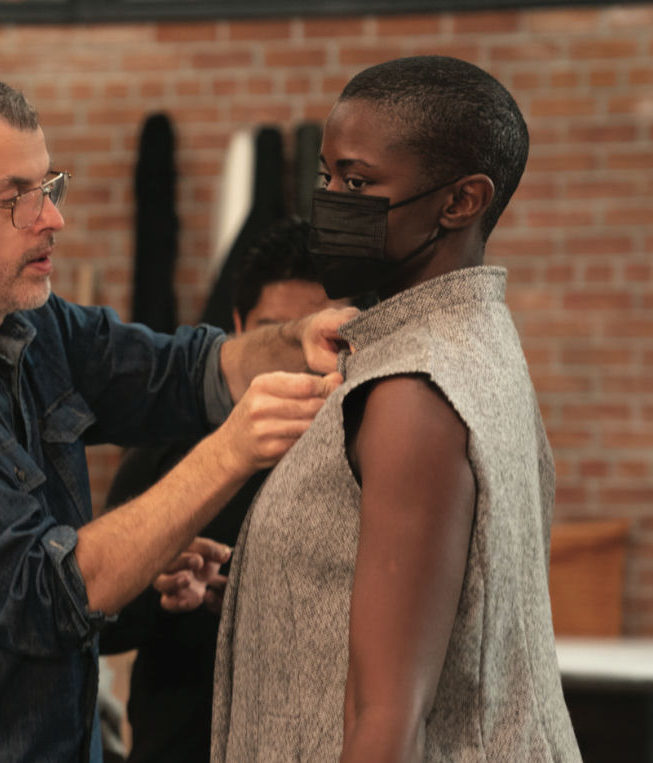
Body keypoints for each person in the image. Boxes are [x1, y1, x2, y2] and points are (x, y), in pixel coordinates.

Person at [0, 66, 355, 763]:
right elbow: (43, 595)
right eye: (15, 199)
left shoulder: (32, 324)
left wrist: (291, 340)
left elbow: (180, 372)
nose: (53, 217)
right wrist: (233, 449)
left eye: (48, 185)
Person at [210, 56, 581, 761]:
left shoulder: (416, 386)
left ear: (461, 201)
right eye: (326, 178)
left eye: (358, 182)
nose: (331, 201)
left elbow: (387, 720)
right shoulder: (467, 337)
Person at [98, 216, 367, 763]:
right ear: (242, 326)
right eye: (278, 334)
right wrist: (154, 585)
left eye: (317, 341)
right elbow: (95, 624)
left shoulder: (370, 460)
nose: (299, 366)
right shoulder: (168, 451)